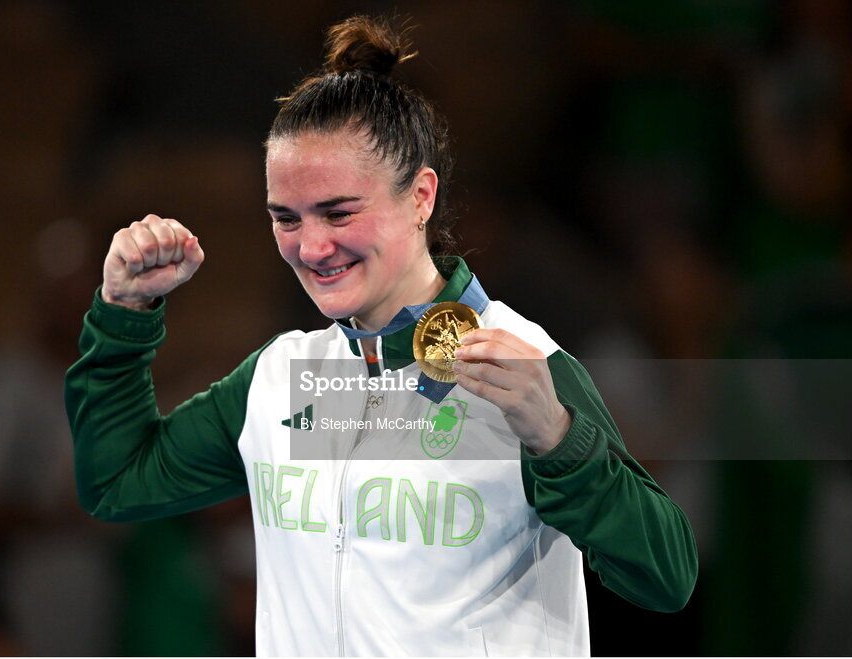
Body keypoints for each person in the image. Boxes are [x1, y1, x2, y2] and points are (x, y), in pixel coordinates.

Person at [65, 15, 698, 656]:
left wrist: (560, 440)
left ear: (421, 196)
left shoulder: (520, 363)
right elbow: (117, 481)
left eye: (339, 212)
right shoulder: (282, 377)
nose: (312, 247)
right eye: (286, 217)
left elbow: (666, 579)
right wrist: (124, 313)